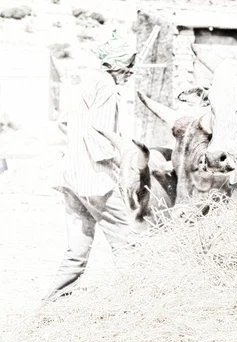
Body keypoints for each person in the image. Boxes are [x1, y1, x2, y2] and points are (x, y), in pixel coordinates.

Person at [43, 30, 137, 302]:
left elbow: (64, 123)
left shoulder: (86, 82)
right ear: (114, 64)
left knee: (76, 251)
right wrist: (123, 161)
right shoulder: (107, 86)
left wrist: (76, 149)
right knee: (129, 245)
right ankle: (143, 304)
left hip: (71, 178)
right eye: (128, 65)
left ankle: (48, 307)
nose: (131, 71)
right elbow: (99, 136)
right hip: (97, 182)